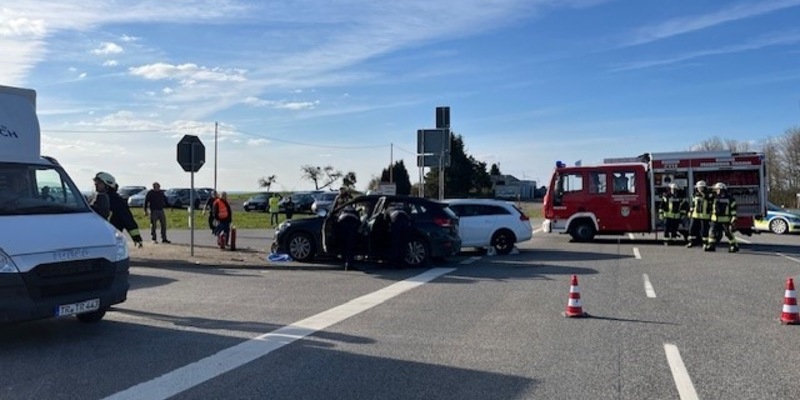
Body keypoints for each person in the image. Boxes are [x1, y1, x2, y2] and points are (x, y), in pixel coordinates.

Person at [93, 172, 143, 248]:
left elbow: (127, 219)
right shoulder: (95, 198)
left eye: (99, 182)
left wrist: (136, 237)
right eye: (95, 182)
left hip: (110, 237)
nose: (96, 184)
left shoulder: (117, 201)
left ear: (107, 184)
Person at [706, 182, 739, 252]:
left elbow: (733, 208)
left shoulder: (730, 198)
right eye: (716, 189)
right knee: (712, 232)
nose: (716, 191)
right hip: (714, 219)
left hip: (725, 219)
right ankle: (711, 245)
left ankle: (734, 245)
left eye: (717, 189)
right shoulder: (713, 197)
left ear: (722, 190)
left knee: (728, 233)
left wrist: (733, 217)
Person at [686, 180, 713, 248]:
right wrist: (690, 212)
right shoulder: (695, 195)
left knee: (704, 230)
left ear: (704, 187)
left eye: (701, 187)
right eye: (699, 187)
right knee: (692, 229)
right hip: (695, 215)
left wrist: (704, 195)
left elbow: (711, 203)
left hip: (705, 216)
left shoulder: (709, 195)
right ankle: (692, 242)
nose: (700, 189)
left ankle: (705, 243)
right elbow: (693, 204)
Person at [387, 203, 412, 268]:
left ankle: (394, 263)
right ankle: (402, 263)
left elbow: (385, 220)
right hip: (405, 224)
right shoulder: (403, 209)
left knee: (395, 244)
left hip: (396, 224)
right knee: (403, 244)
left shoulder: (388, 209)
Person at [337, 205, 361, 270]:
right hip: (351, 231)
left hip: (343, 230)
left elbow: (338, 221)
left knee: (344, 247)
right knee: (350, 248)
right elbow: (359, 222)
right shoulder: (355, 212)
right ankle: (349, 264)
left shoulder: (342, 212)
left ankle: (344, 262)